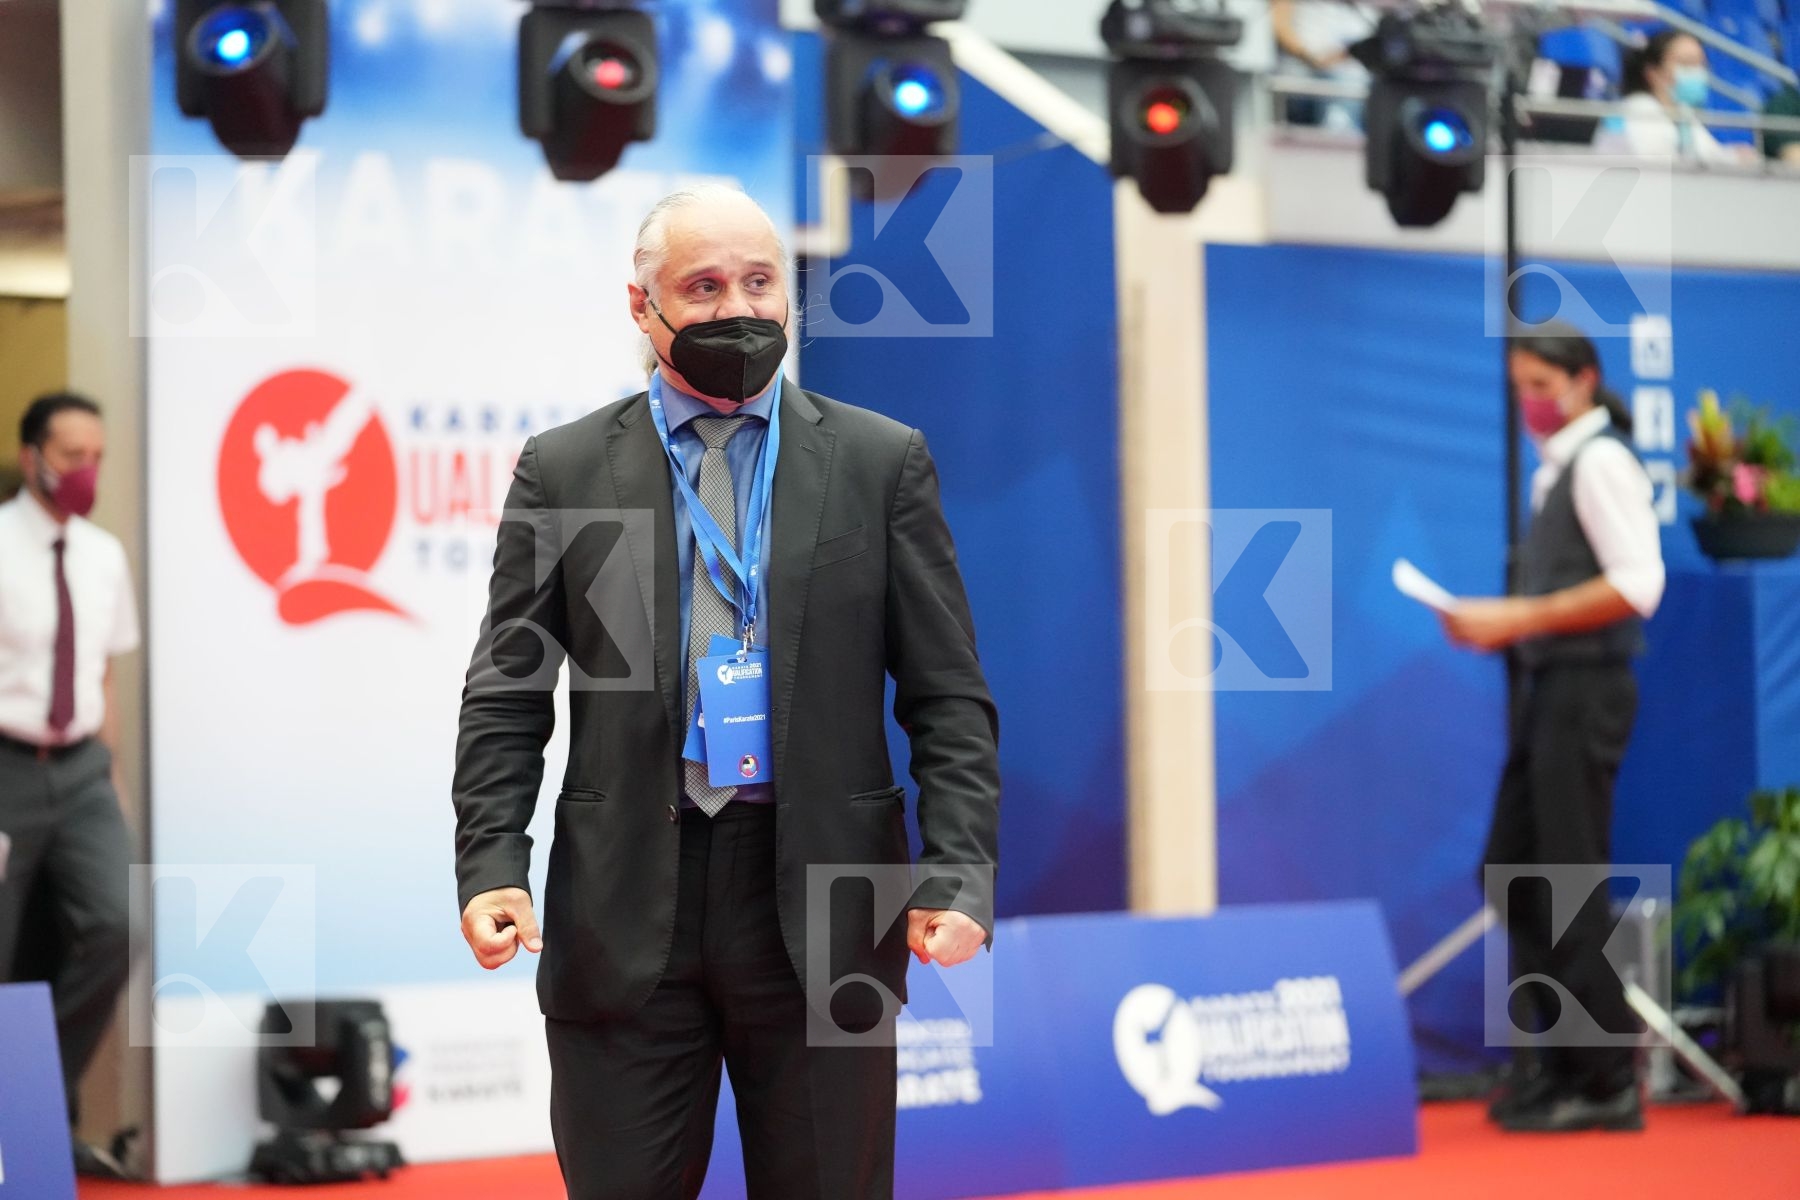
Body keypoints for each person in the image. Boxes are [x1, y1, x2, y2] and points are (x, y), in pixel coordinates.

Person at [451, 185, 1000, 1199]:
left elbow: (948, 695)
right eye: (703, 287)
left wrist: (959, 868)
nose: (736, 308)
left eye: (759, 282)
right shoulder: (564, 468)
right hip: (623, 905)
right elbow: (508, 691)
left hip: (830, 900)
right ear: (641, 304)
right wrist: (491, 862)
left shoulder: (881, 464)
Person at [1441, 322, 1664, 1134]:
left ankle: (1604, 1078)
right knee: (1511, 869)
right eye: (1520, 389)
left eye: (1541, 386)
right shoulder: (1559, 470)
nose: (1530, 404)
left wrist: (1519, 617)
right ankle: (1560, 1061)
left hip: (1587, 688)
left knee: (1566, 880)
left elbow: (1639, 584)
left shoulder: (1602, 464)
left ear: (1583, 379)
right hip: (1550, 690)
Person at [0, 392, 138, 1177]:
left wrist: (109, 774)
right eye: (73, 456)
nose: (87, 472)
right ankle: (22, 1137)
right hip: (7, 765)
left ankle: (27, 1106)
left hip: (82, 768)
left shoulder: (102, 554)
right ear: (33, 458)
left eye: (98, 457)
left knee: (121, 926)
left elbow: (104, 677)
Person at [1597, 28, 1759, 166]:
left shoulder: (1683, 115)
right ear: (1653, 73)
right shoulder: (1636, 111)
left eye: (1701, 64)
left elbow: (1709, 154)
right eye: (1687, 63)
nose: (1697, 72)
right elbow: (1658, 164)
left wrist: (1734, 156)